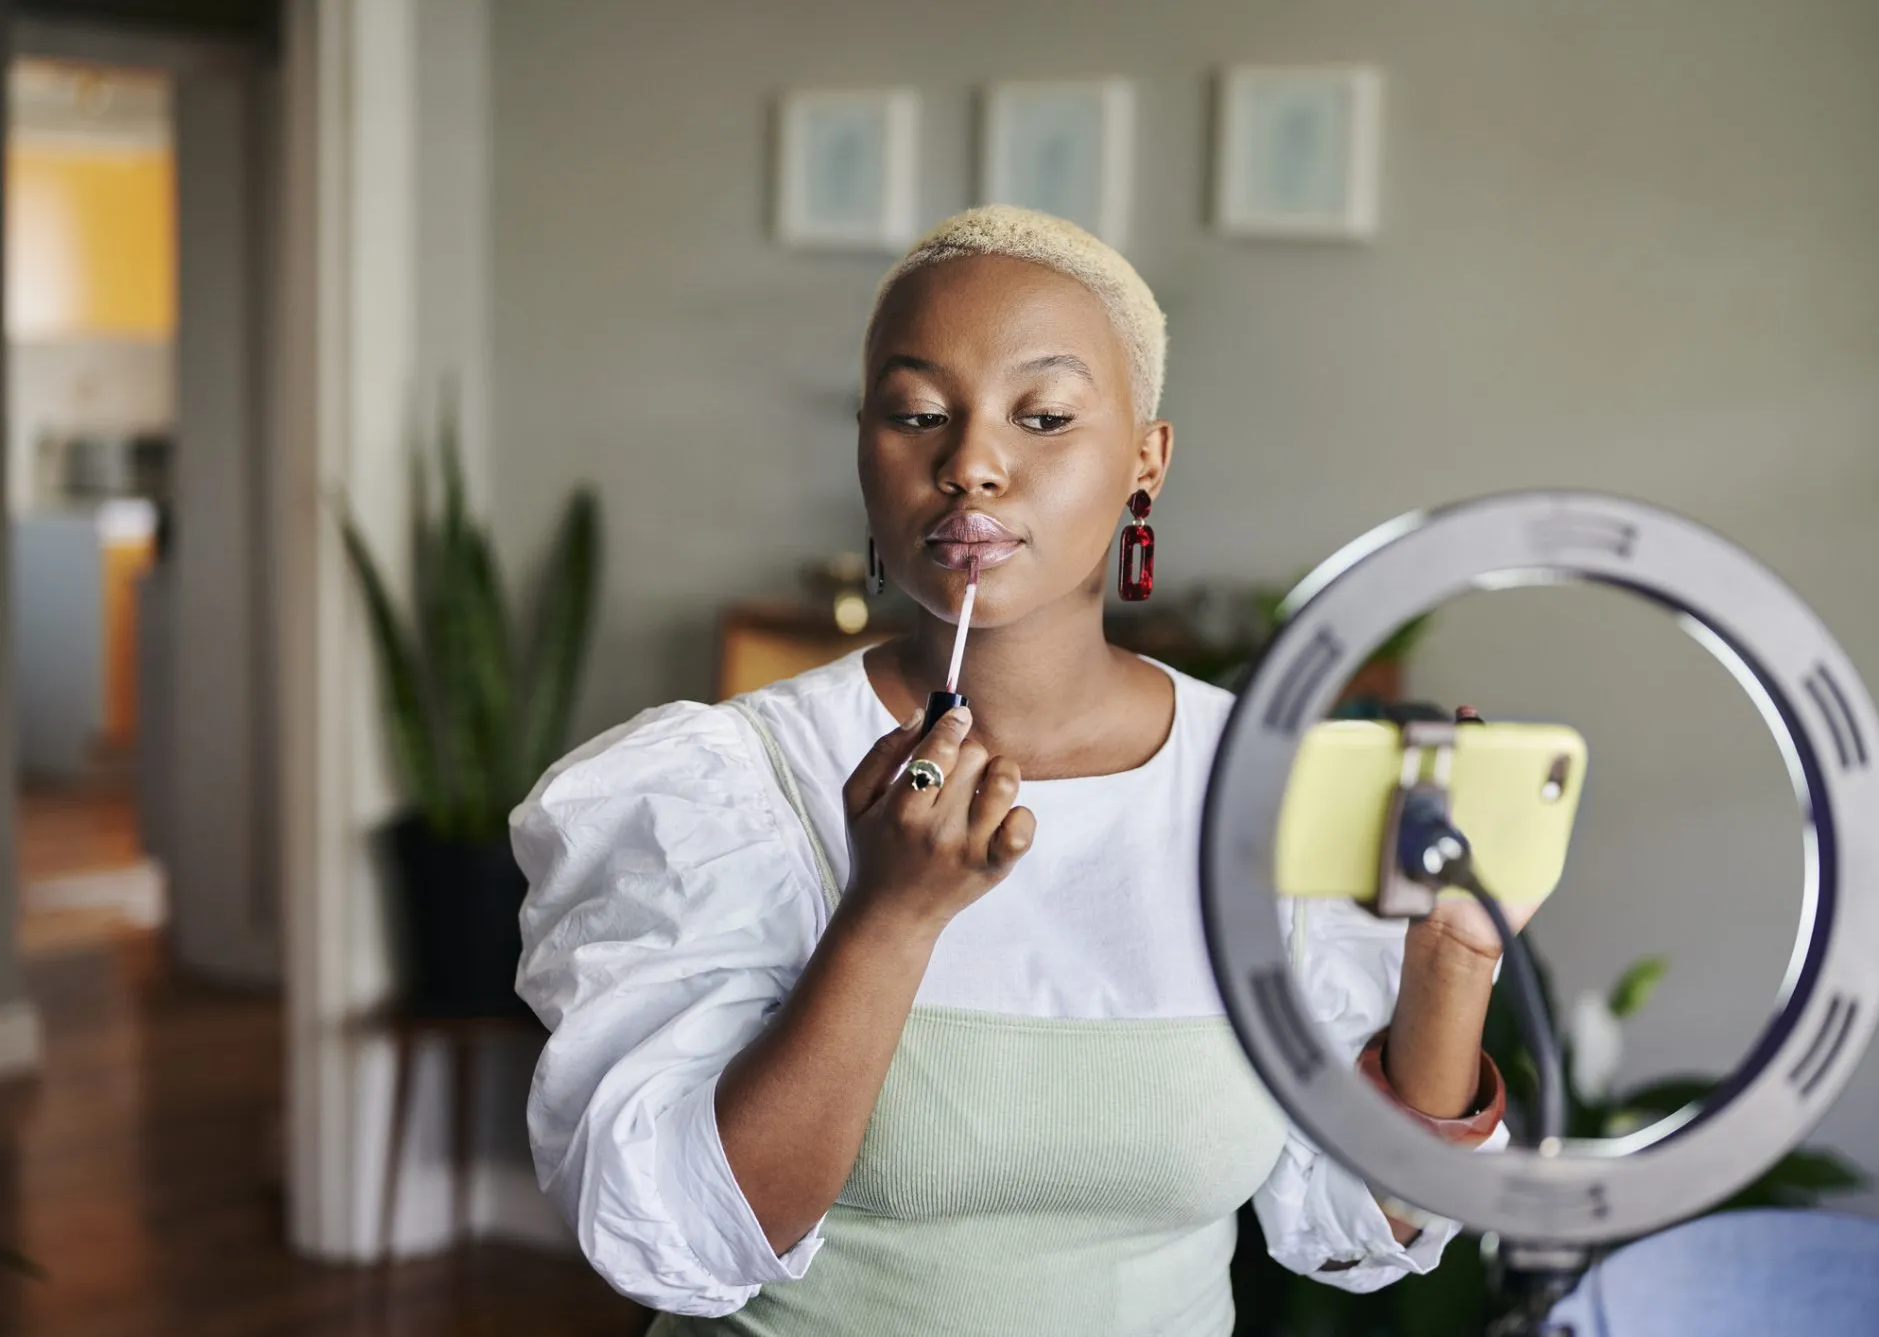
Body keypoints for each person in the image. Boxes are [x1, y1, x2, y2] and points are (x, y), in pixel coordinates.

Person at [514, 205, 1533, 1336]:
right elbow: (679, 1247)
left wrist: (1450, 959)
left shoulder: (1261, 786)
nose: (970, 467)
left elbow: (1360, 1223)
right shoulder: (726, 787)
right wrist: (886, 921)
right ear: (864, 444)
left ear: (1146, 460)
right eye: (915, 416)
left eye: (1042, 417)